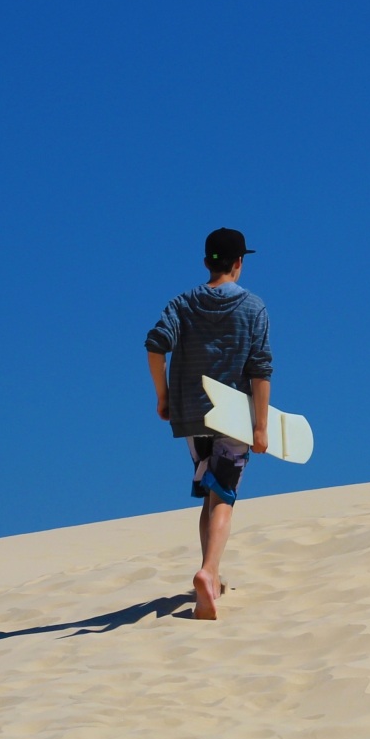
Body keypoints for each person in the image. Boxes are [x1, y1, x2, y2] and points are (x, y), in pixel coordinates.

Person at [145, 228, 272, 620]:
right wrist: (261, 427)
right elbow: (260, 369)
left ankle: (210, 581)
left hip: (193, 414)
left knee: (209, 491)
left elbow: (155, 344)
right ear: (239, 263)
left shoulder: (182, 303)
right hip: (232, 417)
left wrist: (163, 396)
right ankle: (208, 571)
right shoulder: (254, 307)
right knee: (225, 499)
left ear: (206, 263)